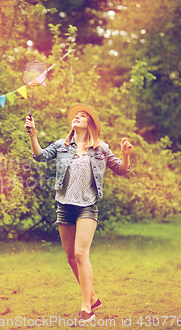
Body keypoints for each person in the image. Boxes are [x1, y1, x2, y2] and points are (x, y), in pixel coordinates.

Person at [24, 104, 133, 322]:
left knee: (81, 254)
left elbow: (122, 169)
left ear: (90, 123)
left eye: (82, 116)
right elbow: (39, 155)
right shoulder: (62, 145)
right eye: (76, 115)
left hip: (87, 205)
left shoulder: (101, 148)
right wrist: (33, 134)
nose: (77, 117)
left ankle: (86, 309)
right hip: (64, 204)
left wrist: (126, 155)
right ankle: (92, 296)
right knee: (71, 257)